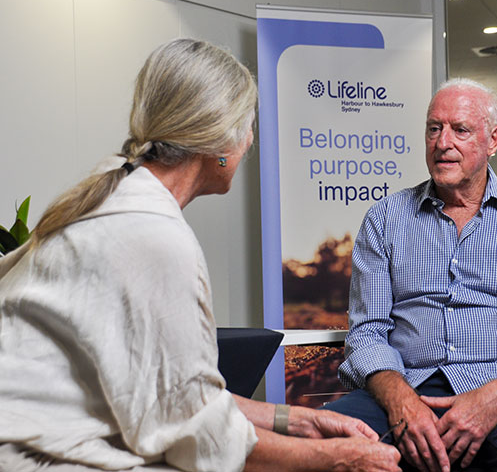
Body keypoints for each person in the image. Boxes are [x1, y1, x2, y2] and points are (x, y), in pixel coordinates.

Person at [0, 39, 401, 472]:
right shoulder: (152, 237)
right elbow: (197, 435)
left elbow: (177, 397)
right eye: (249, 127)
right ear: (222, 142)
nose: (250, 142)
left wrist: (300, 420)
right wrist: (339, 459)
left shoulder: (116, 193)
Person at [323, 78, 497, 472]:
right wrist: (401, 401)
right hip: (406, 387)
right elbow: (366, 333)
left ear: (493, 140)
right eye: (434, 128)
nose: (442, 142)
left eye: (460, 129)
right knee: (315, 449)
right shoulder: (385, 219)